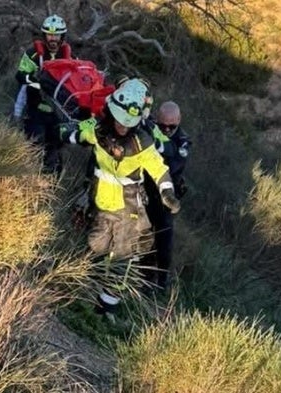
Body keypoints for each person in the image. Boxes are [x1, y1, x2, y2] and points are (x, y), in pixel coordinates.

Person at [59, 79, 181, 322]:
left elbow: (159, 169)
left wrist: (167, 192)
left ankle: (107, 313)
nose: (122, 127)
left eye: (128, 123)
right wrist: (63, 133)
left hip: (128, 207)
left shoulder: (142, 142)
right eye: (119, 120)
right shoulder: (97, 128)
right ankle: (93, 295)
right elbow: (78, 133)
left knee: (122, 258)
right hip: (101, 202)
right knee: (97, 247)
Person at [14, 14, 72, 174]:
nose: (53, 38)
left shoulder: (69, 56)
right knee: (34, 144)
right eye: (49, 34)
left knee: (55, 147)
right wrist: (35, 80)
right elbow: (20, 74)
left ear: (62, 36)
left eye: (57, 35)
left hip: (58, 113)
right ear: (44, 35)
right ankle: (29, 177)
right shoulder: (33, 53)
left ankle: (52, 181)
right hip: (36, 108)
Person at [144, 101, 192, 289]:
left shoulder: (183, 141)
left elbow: (174, 165)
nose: (166, 130)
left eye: (171, 126)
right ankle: (145, 277)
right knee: (144, 234)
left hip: (167, 198)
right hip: (146, 190)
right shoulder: (151, 128)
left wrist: (158, 142)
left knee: (163, 239)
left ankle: (161, 282)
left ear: (179, 120)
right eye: (162, 125)